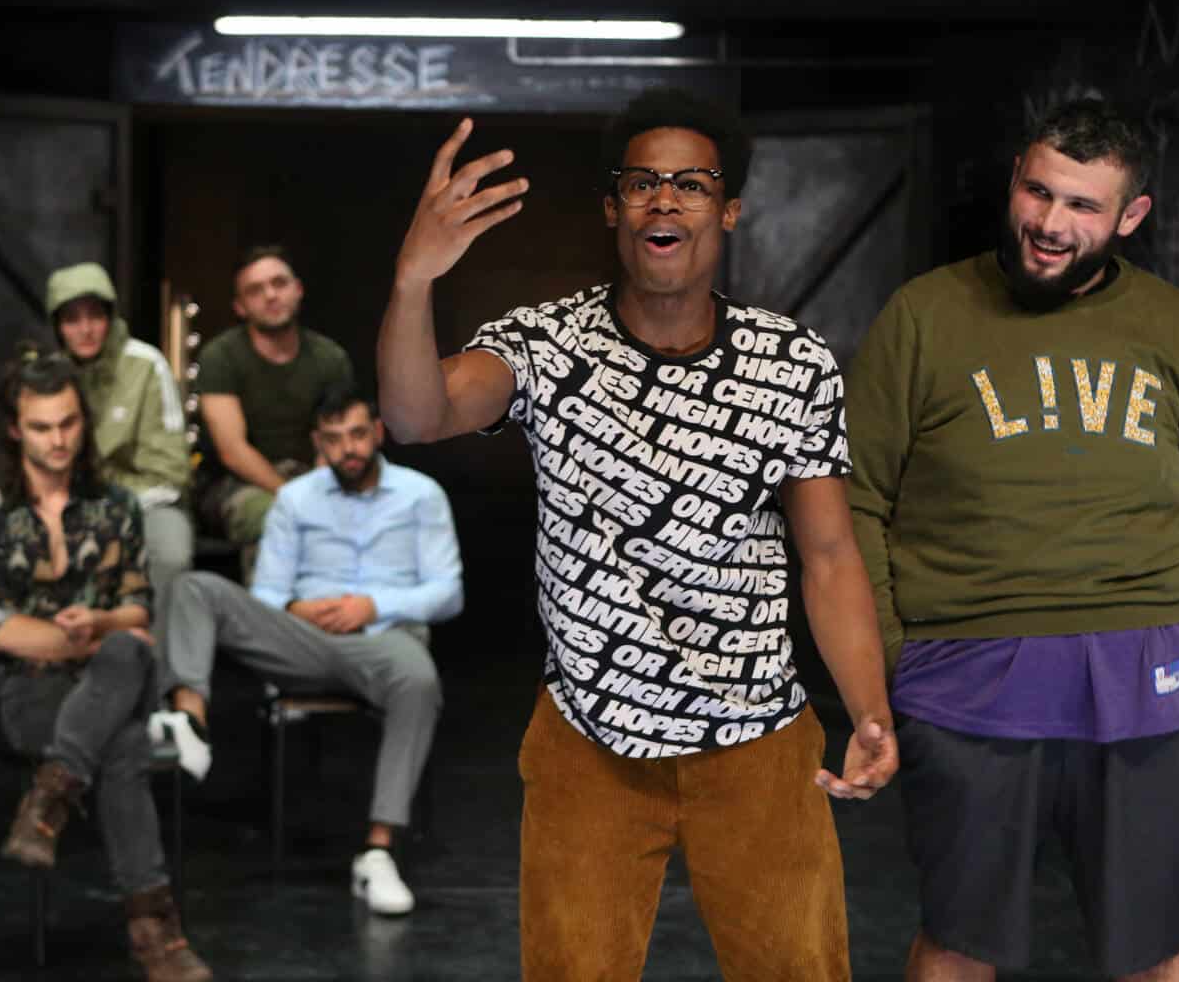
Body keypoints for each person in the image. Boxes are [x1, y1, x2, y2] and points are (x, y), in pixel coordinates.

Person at [377, 89, 897, 979]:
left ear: (728, 210)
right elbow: (415, 415)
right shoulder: (543, 346)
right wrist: (413, 278)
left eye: (692, 184)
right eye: (642, 183)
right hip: (591, 745)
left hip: (757, 741)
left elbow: (828, 553)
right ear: (612, 208)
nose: (665, 200)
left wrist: (871, 709)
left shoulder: (793, 362)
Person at [845, 98, 1179, 982]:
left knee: (1151, 951)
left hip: (1148, 678)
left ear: (1131, 216)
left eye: (1082, 205)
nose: (1049, 223)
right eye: (1038, 192)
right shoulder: (923, 316)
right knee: (958, 943)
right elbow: (855, 505)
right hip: (964, 678)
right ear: (1014, 180)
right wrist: (889, 674)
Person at [0, 348, 211, 982]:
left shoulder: (117, 506)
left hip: (110, 673)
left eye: (69, 423)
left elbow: (138, 611)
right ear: (15, 430)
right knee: (123, 741)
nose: (58, 439)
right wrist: (86, 639)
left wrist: (99, 624)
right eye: (41, 427)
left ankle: (49, 800)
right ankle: (157, 937)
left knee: (128, 650)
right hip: (28, 693)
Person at [157, 389, 462, 916]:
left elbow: (448, 592)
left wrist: (372, 606)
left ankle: (378, 851)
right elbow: (267, 593)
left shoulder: (421, 495)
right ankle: (190, 723)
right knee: (196, 589)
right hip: (305, 639)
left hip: (383, 638)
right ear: (319, 443)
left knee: (419, 679)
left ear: (378, 433)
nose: (349, 449)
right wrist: (296, 608)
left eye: (358, 434)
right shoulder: (296, 498)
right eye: (335, 439)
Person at [192, 246, 354, 572]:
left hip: (312, 477)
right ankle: (273, 608)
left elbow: (337, 438)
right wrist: (294, 497)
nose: (270, 295)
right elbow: (233, 451)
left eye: (279, 283)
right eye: (255, 290)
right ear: (240, 306)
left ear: (298, 289)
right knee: (276, 519)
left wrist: (320, 493)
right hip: (237, 484)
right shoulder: (220, 356)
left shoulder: (329, 358)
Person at [45, 263, 194, 599]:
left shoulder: (146, 365)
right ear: (57, 327)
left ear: (110, 318)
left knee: (171, 554)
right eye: (72, 319)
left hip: (146, 502)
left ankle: (161, 636)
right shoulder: (50, 374)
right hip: (64, 500)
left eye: (95, 316)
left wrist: (104, 501)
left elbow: (170, 474)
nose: (85, 329)